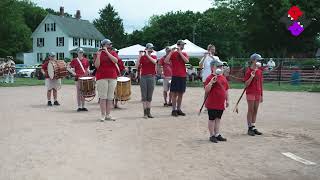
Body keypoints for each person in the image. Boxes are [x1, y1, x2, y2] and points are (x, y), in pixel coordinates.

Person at [94, 39, 119, 121]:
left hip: (112, 76)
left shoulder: (113, 52)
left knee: (110, 97)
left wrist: (107, 53)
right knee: (103, 97)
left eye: (110, 44)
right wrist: (98, 55)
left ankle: (108, 114)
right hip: (101, 77)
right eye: (108, 44)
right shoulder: (99, 53)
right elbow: (97, 66)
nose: (110, 46)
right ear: (103, 45)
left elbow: (115, 61)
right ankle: (103, 115)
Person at [204, 60, 229, 143]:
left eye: (221, 66)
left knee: (218, 119)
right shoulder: (209, 78)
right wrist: (211, 82)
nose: (220, 68)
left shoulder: (223, 78)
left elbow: (226, 90)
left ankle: (217, 134)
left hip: (220, 103)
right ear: (212, 67)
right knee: (212, 119)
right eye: (218, 66)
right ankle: (211, 135)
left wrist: (227, 100)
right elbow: (206, 90)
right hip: (212, 103)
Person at [165, 40, 189, 117]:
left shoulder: (184, 53)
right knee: (174, 94)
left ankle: (178, 109)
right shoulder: (173, 53)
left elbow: (186, 61)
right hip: (175, 76)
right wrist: (171, 52)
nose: (183, 46)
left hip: (183, 76)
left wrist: (180, 53)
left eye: (183, 45)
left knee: (181, 94)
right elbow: (166, 61)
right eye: (182, 45)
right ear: (178, 45)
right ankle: (173, 110)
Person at [243, 53, 264, 136]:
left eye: (259, 60)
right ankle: (249, 128)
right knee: (250, 109)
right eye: (258, 60)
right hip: (250, 92)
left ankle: (253, 126)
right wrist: (252, 76)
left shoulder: (260, 71)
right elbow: (246, 84)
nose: (259, 62)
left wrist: (261, 94)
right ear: (253, 61)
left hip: (258, 92)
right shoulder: (249, 71)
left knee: (255, 110)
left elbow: (261, 83)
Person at [136, 43, 157, 118]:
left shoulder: (154, 56)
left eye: (152, 48)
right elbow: (137, 66)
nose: (151, 50)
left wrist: (147, 55)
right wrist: (139, 56)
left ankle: (149, 112)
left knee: (149, 95)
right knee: (144, 95)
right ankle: (145, 113)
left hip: (151, 77)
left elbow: (155, 62)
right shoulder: (143, 57)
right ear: (146, 48)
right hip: (144, 77)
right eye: (150, 48)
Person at [67, 48, 90, 112]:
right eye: (80, 52)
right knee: (79, 92)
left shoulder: (86, 60)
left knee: (84, 92)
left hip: (85, 77)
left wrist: (88, 72)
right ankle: (79, 106)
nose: (81, 53)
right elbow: (68, 67)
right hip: (78, 78)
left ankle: (83, 106)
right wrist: (73, 73)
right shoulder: (74, 60)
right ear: (77, 53)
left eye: (82, 52)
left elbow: (87, 67)